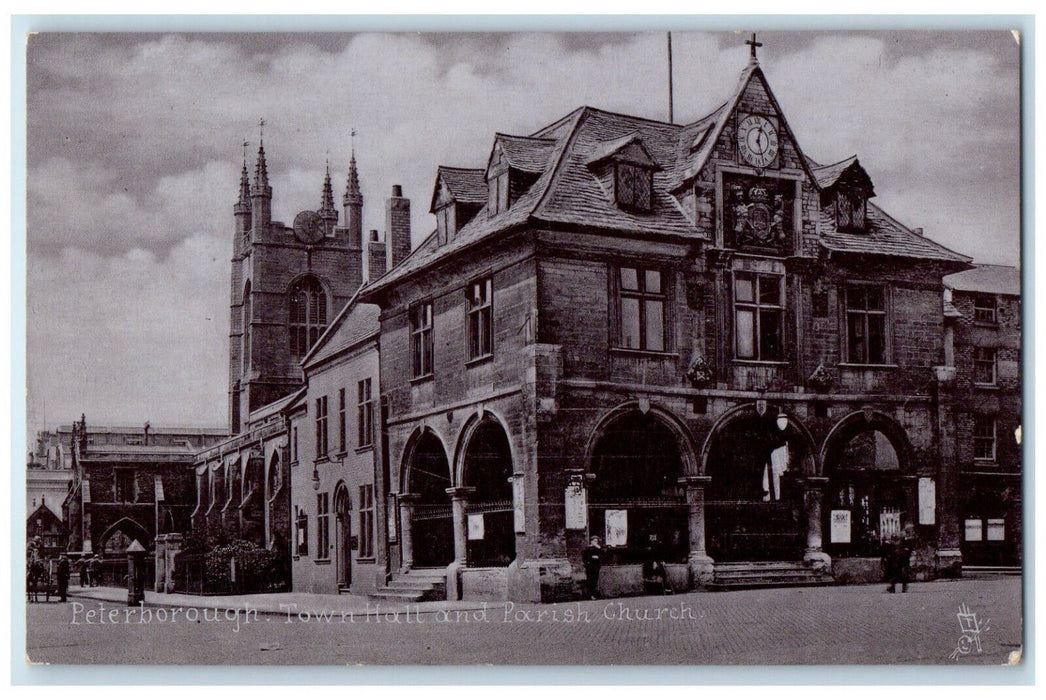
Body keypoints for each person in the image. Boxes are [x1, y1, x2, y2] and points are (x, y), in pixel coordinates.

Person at [581, 536, 604, 600]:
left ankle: (594, 594)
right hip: (590, 567)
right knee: (590, 581)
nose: (595, 542)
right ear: (591, 541)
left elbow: (603, 554)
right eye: (594, 541)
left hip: (596, 566)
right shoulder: (588, 549)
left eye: (596, 541)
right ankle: (589, 595)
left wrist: (598, 557)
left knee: (595, 581)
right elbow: (585, 558)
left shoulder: (598, 548)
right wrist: (590, 559)